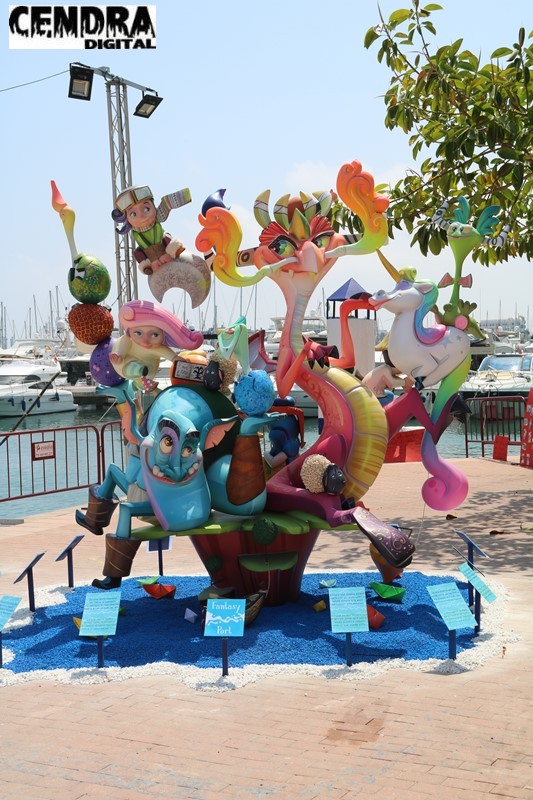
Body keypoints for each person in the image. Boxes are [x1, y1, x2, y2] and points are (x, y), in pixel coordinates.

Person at [111, 185, 186, 275]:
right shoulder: (135, 232)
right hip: (149, 252)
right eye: (133, 214)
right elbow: (142, 242)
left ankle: (174, 250)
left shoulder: (156, 223)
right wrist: (154, 258)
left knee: (166, 237)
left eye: (146, 209)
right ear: (127, 218)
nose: (142, 217)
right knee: (137, 252)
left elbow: (158, 234)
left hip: (161, 244)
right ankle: (147, 266)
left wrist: (160, 252)